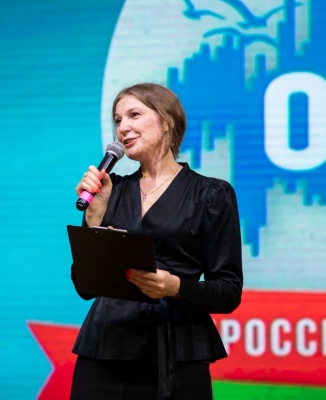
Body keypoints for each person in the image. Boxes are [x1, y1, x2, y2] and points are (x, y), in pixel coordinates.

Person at [70, 83, 243, 400]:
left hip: (177, 348)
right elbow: (85, 287)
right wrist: (94, 217)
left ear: (167, 122)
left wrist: (176, 287)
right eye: (118, 120)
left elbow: (228, 291)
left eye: (134, 115)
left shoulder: (211, 194)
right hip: (106, 347)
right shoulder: (111, 191)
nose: (123, 128)